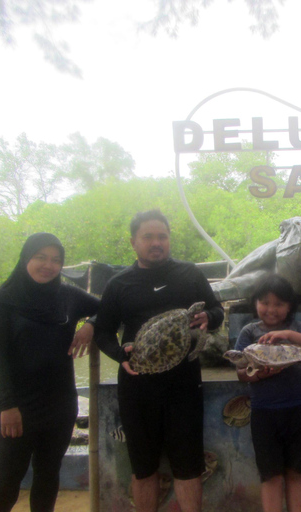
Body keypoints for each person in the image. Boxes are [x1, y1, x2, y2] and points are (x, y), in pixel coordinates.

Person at [93, 209, 224, 512]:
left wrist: (208, 316)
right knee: (144, 467)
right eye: (148, 237)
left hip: (184, 384)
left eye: (162, 236)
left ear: (169, 239)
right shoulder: (119, 284)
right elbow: (103, 331)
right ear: (133, 242)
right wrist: (118, 356)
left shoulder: (189, 273)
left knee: (188, 465)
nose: (156, 243)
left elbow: (217, 312)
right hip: (138, 385)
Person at [0, 233, 99, 512]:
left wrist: (91, 323)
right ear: (26, 258)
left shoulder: (68, 296)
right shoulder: (0, 304)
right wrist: (8, 405)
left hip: (59, 403)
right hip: (17, 406)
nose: (48, 265)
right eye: (41, 258)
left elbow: (110, 307)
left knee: (48, 474)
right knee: (8, 476)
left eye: (56, 260)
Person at [234, 274, 301, 512]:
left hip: (298, 408)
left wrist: (288, 335)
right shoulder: (249, 332)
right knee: (270, 476)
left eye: (279, 304)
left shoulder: (298, 328)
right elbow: (241, 373)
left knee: (295, 473)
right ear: (255, 302)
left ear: (290, 306)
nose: (271, 309)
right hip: (264, 412)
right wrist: (261, 374)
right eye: (265, 302)